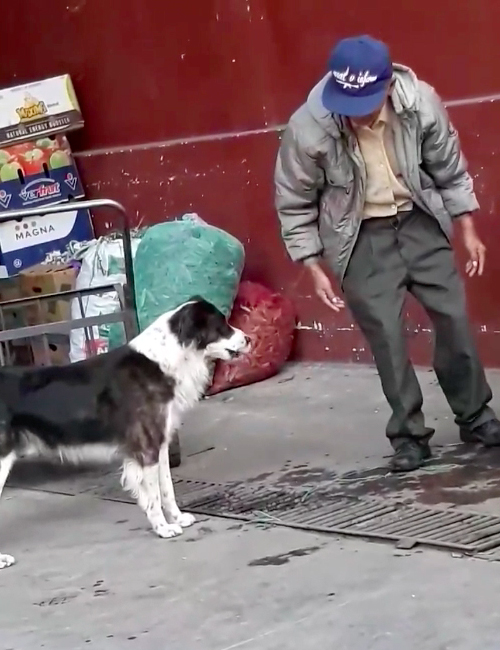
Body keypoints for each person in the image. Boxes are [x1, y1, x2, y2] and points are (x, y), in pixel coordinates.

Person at [275, 34, 500, 472]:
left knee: (453, 317)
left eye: (366, 104)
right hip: (359, 235)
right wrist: (313, 265)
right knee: (387, 337)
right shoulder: (309, 127)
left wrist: (467, 228)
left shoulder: (420, 103)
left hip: (418, 218)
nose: (356, 115)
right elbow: (293, 200)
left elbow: (448, 169)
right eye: (348, 104)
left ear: (387, 87)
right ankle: (409, 436)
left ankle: (475, 415)